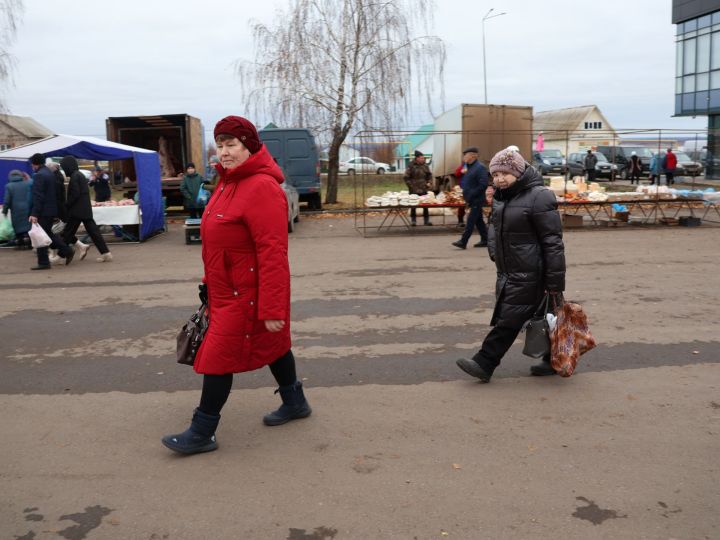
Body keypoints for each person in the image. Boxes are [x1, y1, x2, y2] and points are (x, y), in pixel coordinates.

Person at [162, 115, 311, 455]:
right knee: (274, 345)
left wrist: (273, 308)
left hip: (247, 293)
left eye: (232, 145)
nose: (225, 152)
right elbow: (220, 244)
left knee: (217, 357)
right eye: (221, 145)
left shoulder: (261, 187)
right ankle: (296, 402)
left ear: (250, 147)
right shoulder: (227, 182)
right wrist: (207, 282)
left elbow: (273, 252)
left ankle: (202, 432)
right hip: (225, 289)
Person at [456, 147, 566, 383]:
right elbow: (496, 229)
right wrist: (494, 250)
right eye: (495, 175)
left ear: (518, 171)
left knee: (510, 319)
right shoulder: (502, 197)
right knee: (544, 317)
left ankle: (485, 362)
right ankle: (555, 358)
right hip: (508, 271)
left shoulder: (540, 196)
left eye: (504, 173)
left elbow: (553, 243)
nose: (499, 179)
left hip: (532, 274)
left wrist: (555, 282)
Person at [60, 155, 113, 263]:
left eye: (64, 167)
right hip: (85, 210)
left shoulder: (75, 176)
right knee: (94, 233)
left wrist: (67, 204)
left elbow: (75, 194)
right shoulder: (79, 175)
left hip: (77, 211)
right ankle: (106, 253)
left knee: (67, 233)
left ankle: (61, 256)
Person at [27, 153, 74, 270]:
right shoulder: (49, 173)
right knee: (47, 233)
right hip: (51, 209)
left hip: (43, 211)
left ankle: (44, 262)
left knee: (40, 235)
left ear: (34, 164)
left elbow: (38, 196)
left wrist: (34, 213)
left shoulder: (39, 175)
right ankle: (66, 250)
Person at [452, 146, 489, 249]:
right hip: (470, 198)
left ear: (473, 155)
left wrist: (472, 193)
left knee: (470, 221)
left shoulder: (480, 167)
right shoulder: (469, 167)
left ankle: (463, 241)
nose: (464, 157)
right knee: (479, 221)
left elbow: (483, 184)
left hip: (477, 199)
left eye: (466, 155)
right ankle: (485, 239)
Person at [2, 169, 33, 249]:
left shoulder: (9, 186)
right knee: (28, 227)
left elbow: (7, 200)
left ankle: (21, 244)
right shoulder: (26, 183)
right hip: (27, 208)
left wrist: (4, 211)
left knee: (18, 227)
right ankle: (30, 244)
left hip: (16, 210)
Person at [403, 150, 433, 226]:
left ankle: (426, 221)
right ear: (417, 158)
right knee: (414, 205)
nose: (423, 159)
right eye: (422, 158)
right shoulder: (411, 165)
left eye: (423, 158)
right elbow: (406, 177)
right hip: (414, 189)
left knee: (425, 205)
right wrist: (411, 186)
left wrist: (429, 182)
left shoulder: (425, 166)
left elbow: (429, 175)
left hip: (423, 188)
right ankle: (413, 221)